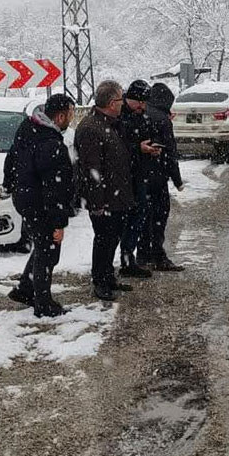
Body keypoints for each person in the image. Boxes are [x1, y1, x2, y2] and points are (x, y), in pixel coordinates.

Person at [3, 93, 77, 317]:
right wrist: (59, 222)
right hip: (40, 204)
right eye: (72, 115)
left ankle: (26, 289)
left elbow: (11, 158)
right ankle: (43, 304)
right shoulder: (51, 144)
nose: (72, 120)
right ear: (61, 116)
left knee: (42, 246)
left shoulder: (28, 128)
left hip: (24, 199)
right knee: (48, 251)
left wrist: (11, 184)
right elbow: (55, 189)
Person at [75, 80, 138, 300]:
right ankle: (100, 281)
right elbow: (91, 170)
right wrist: (97, 203)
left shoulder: (112, 123)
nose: (123, 104)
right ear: (112, 102)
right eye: (121, 99)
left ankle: (108, 276)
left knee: (112, 240)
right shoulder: (91, 128)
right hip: (105, 199)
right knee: (104, 239)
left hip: (117, 196)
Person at [117, 79, 162, 278]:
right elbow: (117, 148)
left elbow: (145, 137)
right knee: (125, 219)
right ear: (129, 99)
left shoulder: (142, 116)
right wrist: (138, 148)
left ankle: (129, 258)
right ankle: (124, 259)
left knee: (140, 214)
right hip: (123, 177)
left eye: (145, 103)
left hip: (140, 174)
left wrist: (152, 149)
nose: (143, 107)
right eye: (140, 102)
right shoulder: (119, 117)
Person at [139, 82, 185, 271]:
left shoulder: (141, 114)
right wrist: (177, 180)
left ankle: (142, 255)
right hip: (157, 178)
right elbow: (170, 153)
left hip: (141, 177)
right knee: (159, 216)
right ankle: (158, 256)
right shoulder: (162, 120)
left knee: (143, 218)